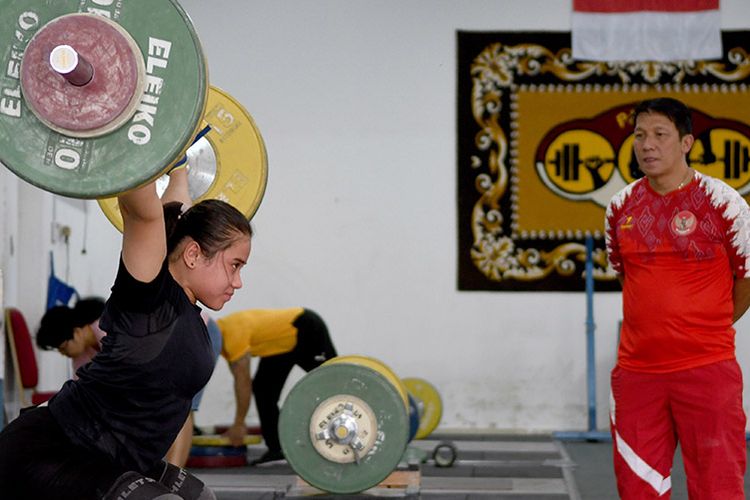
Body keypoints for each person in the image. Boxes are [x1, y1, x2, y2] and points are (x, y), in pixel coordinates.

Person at [0, 162, 253, 499]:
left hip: (118, 457)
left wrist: (179, 169)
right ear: (193, 254)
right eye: (234, 265)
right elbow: (141, 211)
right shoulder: (148, 300)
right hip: (55, 450)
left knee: (200, 496)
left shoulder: (188, 311)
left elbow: (172, 215)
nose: (238, 281)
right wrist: (142, 139)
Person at [605, 97, 750, 499]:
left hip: (707, 370)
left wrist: (708, 324)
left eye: (659, 135)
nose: (647, 145)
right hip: (637, 375)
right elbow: (628, 277)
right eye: (639, 136)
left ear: (686, 143)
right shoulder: (619, 208)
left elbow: (748, 278)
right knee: (638, 489)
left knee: (717, 487)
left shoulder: (724, 203)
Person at [35, 296, 224, 468]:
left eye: (63, 347)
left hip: (198, 331)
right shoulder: (81, 360)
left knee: (180, 404)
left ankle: (174, 476)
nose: (63, 353)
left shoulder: (110, 330)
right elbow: (87, 398)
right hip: (165, 347)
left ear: (77, 332)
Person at [218, 307, 337, 465]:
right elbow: (241, 382)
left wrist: (239, 424)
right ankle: (277, 448)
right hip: (279, 345)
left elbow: (242, 382)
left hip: (305, 326)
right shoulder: (221, 337)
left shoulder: (232, 333)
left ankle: (355, 425)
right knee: (263, 389)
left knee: (333, 383)